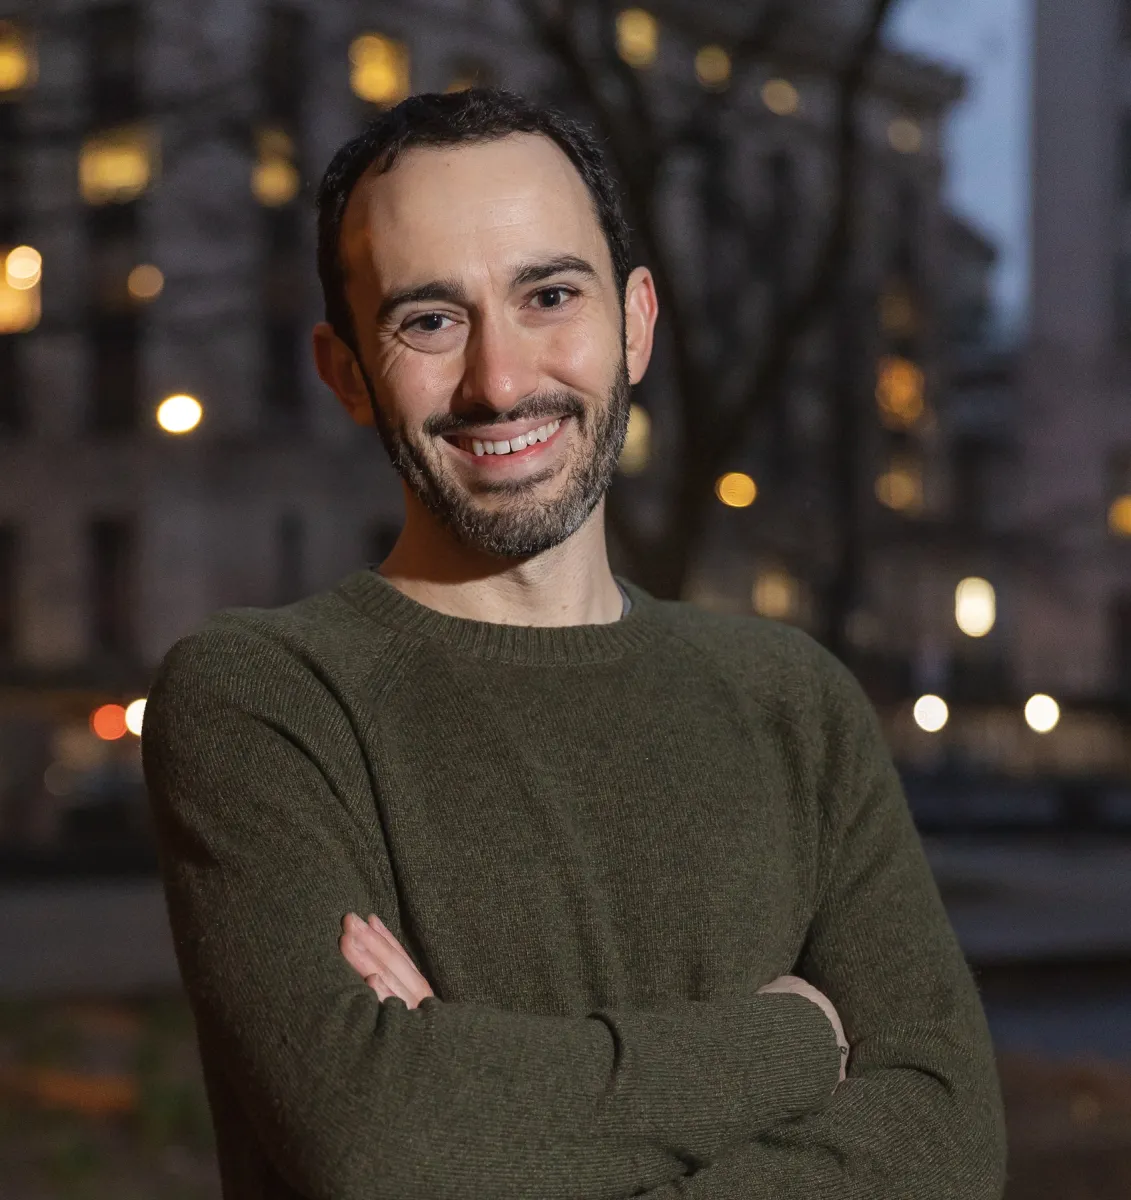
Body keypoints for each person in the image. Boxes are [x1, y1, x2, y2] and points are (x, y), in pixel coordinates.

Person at [141, 88, 1007, 1199]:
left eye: (549, 294)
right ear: (348, 371)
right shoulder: (266, 699)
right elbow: (381, 1147)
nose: (500, 380)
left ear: (637, 323)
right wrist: (792, 1045)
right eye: (429, 320)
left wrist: (489, 1103)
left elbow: (948, 1136)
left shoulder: (795, 701)